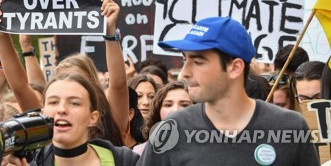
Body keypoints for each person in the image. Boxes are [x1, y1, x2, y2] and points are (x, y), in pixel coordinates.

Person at [137, 17, 319, 165]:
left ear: (235, 67)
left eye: (198, 62)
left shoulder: (289, 127)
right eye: (185, 59)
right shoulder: (171, 130)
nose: (185, 72)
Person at [0, 0, 128, 146]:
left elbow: (119, 85)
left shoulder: (111, 121)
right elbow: (20, 88)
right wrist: (1, 35)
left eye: (74, 99)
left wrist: (109, 31)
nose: (62, 108)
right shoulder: (45, 124)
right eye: (55, 99)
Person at [7, 73, 140, 166]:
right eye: (53, 102)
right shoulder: (29, 162)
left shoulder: (126, 161)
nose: (61, 109)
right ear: (43, 113)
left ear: (93, 118)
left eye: (74, 103)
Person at [133, 81, 192, 155]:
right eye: (168, 105)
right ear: (158, 111)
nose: (176, 110)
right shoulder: (141, 152)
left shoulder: (207, 149)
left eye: (184, 105)